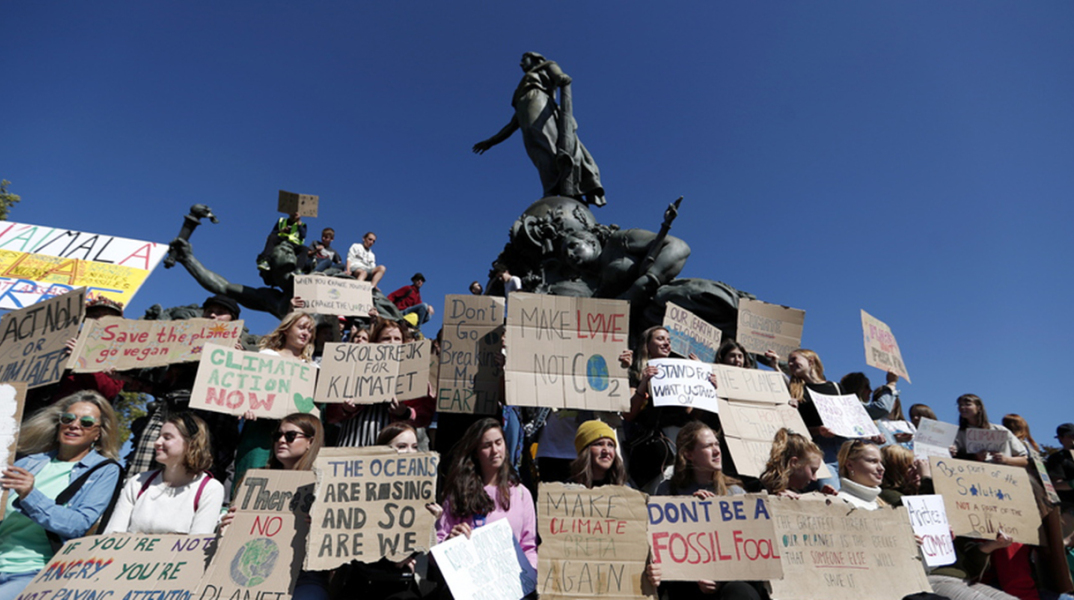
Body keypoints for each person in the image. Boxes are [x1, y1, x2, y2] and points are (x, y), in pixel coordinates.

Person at [0, 391, 122, 600]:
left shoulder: (104, 470)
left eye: (86, 422)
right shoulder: (27, 462)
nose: (74, 425)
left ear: (98, 433)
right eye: (68, 419)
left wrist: (30, 495)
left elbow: (78, 525)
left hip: (38, 572)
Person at [126, 294, 243, 484]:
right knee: (148, 461)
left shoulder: (240, 351)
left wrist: (236, 359)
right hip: (171, 408)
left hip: (212, 417)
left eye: (221, 313)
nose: (213, 316)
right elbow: (156, 381)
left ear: (233, 320)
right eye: (209, 311)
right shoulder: (179, 342)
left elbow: (243, 391)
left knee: (202, 465)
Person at [472, 52, 606, 207]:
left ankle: (566, 187)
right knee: (539, 154)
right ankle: (550, 190)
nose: (521, 64)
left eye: (524, 59)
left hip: (539, 104)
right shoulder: (521, 97)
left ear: (535, 58)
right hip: (525, 113)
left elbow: (559, 76)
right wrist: (490, 141)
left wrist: (561, 78)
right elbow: (511, 126)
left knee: (546, 145)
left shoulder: (547, 66)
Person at [223, 414, 326, 600]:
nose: (281, 441)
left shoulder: (322, 485)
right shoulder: (255, 480)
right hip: (253, 574)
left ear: (310, 442)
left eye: (290, 436)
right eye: (277, 435)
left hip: (303, 575)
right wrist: (228, 525)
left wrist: (319, 527)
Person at [657, 422, 760, 600]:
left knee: (740, 590)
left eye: (717, 444)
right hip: (687, 581)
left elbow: (749, 548)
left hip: (729, 579)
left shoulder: (735, 493)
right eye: (708, 446)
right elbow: (664, 547)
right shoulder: (668, 491)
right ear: (688, 454)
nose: (717, 451)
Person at [436, 418, 537, 570]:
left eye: (498, 443)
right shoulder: (459, 491)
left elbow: (528, 546)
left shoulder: (522, 494)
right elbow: (437, 547)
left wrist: (531, 574)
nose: (495, 450)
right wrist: (450, 542)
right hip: (470, 578)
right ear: (476, 452)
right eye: (487, 446)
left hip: (513, 580)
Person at [233, 311, 316, 489]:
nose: (305, 333)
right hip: (261, 432)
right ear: (286, 329)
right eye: (301, 327)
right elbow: (248, 390)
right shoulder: (266, 356)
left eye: (310, 331)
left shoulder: (312, 368)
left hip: (295, 437)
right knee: (249, 483)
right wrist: (246, 406)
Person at [105, 412, 223, 534]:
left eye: (167, 437)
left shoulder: (210, 489)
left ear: (191, 443)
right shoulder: (138, 482)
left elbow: (198, 541)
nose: (157, 442)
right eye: (159, 436)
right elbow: (112, 535)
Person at [328, 319, 433, 447]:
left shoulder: (415, 375)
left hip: (394, 447)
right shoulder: (352, 370)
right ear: (375, 342)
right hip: (353, 443)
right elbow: (331, 415)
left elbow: (424, 418)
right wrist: (345, 409)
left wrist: (405, 412)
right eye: (386, 338)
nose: (392, 343)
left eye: (397, 339)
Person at [787, 348, 845, 489]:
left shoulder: (836, 387)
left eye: (794, 359)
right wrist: (818, 430)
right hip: (820, 449)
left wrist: (871, 433)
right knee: (831, 491)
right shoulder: (795, 392)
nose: (790, 364)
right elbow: (795, 427)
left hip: (844, 446)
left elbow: (853, 416)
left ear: (810, 361)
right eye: (789, 361)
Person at [954, 394, 1028, 467]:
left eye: (968, 404)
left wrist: (1005, 459)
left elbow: (1025, 460)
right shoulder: (958, 434)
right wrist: (975, 457)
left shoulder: (1000, 430)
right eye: (960, 405)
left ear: (979, 407)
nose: (962, 407)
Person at [759, 428, 829, 497]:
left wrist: (822, 499)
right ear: (794, 463)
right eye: (813, 471)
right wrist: (776, 497)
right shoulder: (757, 487)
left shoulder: (799, 492)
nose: (814, 478)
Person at [570, 420, 626, 488]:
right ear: (585, 451)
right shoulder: (568, 489)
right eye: (599, 444)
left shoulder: (623, 487)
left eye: (610, 445)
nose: (606, 451)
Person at [835, 440, 886, 510]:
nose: (882, 468)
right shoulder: (842, 502)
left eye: (881, 462)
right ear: (849, 465)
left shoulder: (878, 502)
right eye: (872, 461)